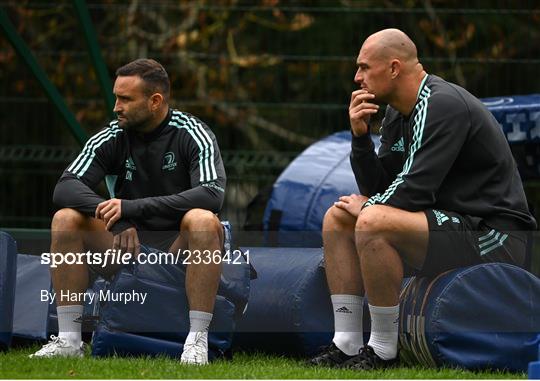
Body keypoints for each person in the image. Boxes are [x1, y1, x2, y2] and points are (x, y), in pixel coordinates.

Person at [309, 29, 536, 370]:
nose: (357, 77)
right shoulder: (397, 114)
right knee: (338, 217)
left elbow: (415, 189)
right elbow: (381, 185)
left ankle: (384, 349)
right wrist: (360, 139)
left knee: (371, 220)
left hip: (492, 235)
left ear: (394, 68)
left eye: (364, 67)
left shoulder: (442, 103)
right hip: (446, 225)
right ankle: (346, 343)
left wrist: (369, 207)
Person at [30, 58, 227, 365]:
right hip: (125, 248)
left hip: (179, 253)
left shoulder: (192, 132)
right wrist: (120, 218)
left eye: (125, 99)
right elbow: (65, 186)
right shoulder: (113, 134)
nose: (116, 107)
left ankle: (197, 340)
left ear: (155, 101)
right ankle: (69, 339)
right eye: (116, 97)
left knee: (202, 219)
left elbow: (211, 194)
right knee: (65, 218)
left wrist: (131, 208)